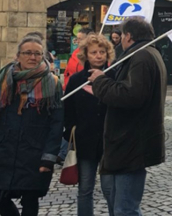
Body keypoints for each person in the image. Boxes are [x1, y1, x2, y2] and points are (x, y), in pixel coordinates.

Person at [85, 18, 167, 216]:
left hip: (131, 142)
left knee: (125, 209)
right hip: (129, 142)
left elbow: (131, 96)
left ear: (128, 36)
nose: (120, 40)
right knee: (118, 203)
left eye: (121, 36)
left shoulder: (142, 56)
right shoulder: (147, 53)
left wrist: (101, 81)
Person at [0, 36, 64, 216]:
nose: (33, 57)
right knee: (1, 199)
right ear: (18, 55)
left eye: (37, 53)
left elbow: (57, 123)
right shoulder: (3, 79)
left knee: (30, 200)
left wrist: (49, 157)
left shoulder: (52, 83)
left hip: (34, 151)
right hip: (4, 149)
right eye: (28, 53)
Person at [63, 34, 113, 216]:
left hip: (109, 142)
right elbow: (67, 109)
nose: (98, 56)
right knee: (85, 188)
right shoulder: (76, 80)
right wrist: (71, 131)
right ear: (86, 55)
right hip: (84, 142)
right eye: (94, 52)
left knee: (110, 189)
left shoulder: (114, 76)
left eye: (102, 52)